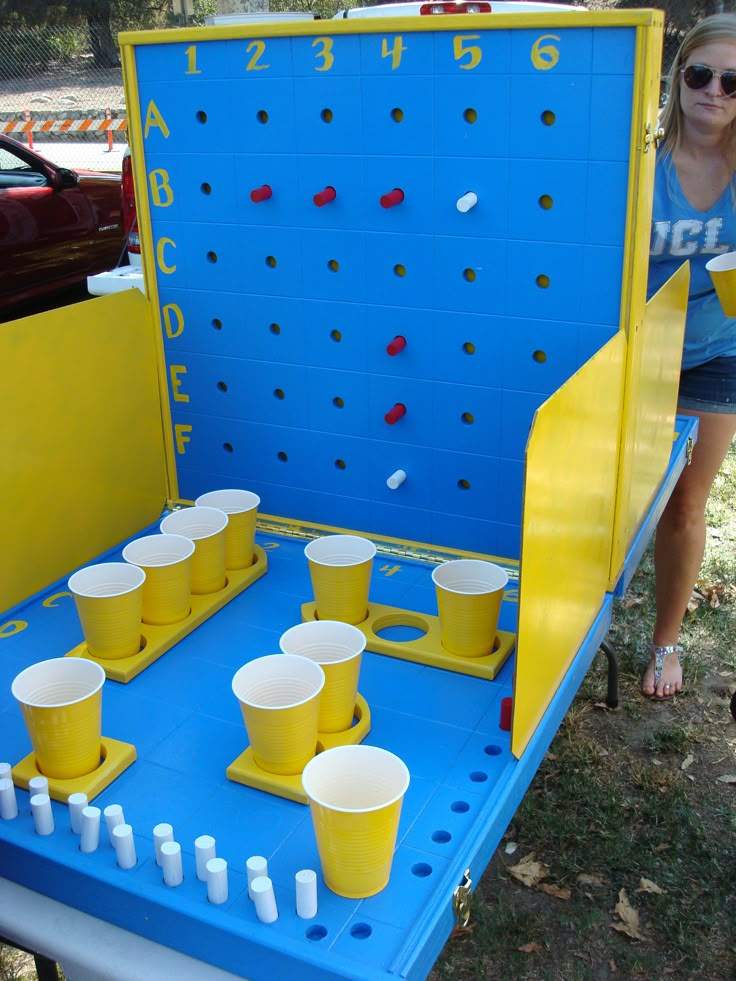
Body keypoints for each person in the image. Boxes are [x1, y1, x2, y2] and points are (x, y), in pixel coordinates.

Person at [645, 13, 736, 699]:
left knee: (684, 502)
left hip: (715, 353)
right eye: (701, 74)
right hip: (631, 356)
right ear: (679, 78)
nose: (714, 92)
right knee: (608, 502)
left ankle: (664, 644)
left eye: (733, 82)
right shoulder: (638, 160)